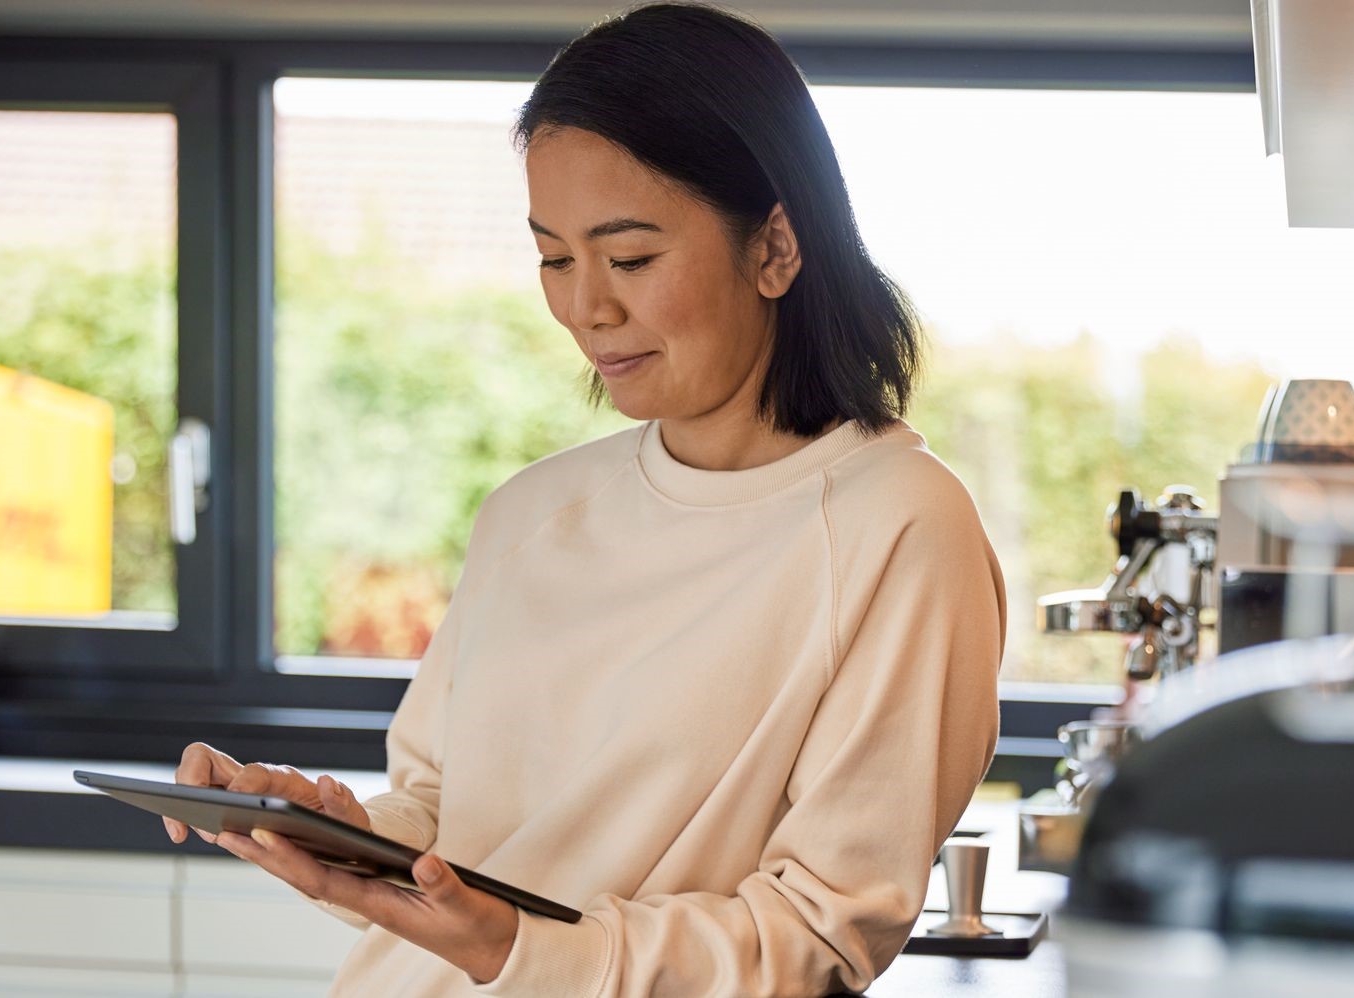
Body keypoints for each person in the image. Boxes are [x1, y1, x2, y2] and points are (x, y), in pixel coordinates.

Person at [161, 3, 1007, 995]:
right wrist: (336, 834)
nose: (585, 307)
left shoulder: (897, 522)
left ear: (774, 245)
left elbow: (819, 938)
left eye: (631, 256)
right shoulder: (529, 512)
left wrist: (514, 947)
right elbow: (437, 810)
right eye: (554, 258)